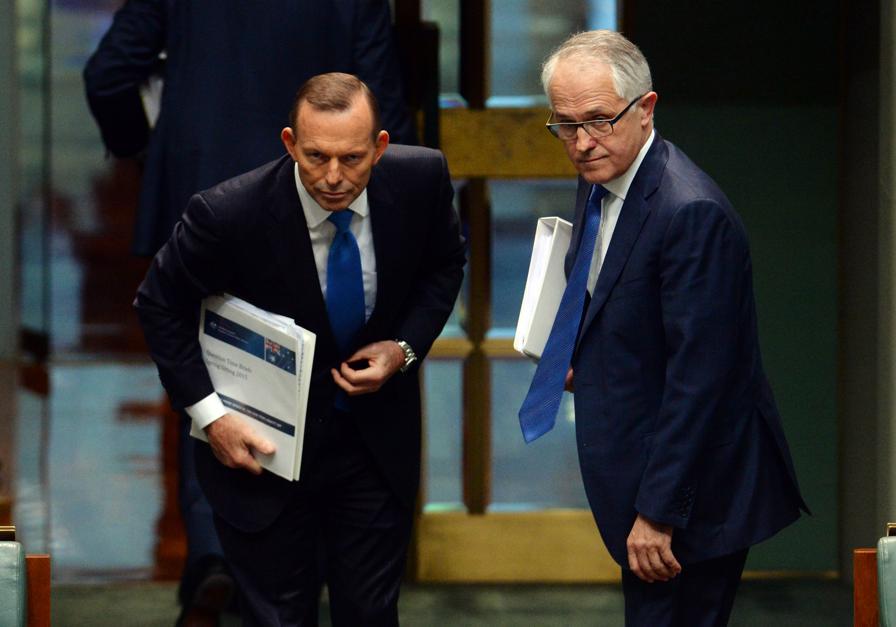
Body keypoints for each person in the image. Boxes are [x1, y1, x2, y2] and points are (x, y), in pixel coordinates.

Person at [83, 4, 416, 621]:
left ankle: (216, 553)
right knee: (325, 357)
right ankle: (322, 558)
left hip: (200, 177)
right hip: (324, 197)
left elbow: (108, 75)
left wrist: (146, 151)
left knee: (208, 367)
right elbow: (385, 101)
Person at [135, 72, 465, 626]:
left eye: (352, 159)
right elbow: (158, 304)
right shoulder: (227, 213)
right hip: (263, 452)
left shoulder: (420, 181)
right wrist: (212, 418)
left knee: (371, 614)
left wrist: (404, 348)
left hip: (373, 445)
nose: (333, 177)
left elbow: (444, 265)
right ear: (290, 144)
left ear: (380, 147)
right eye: (316, 157)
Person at [518, 30, 808, 626]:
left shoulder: (690, 213)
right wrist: (579, 351)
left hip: (692, 497)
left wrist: (657, 513)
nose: (582, 142)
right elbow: (607, 287)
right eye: (565, 125)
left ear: (646, 108)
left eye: (598, 120)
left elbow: (701, 381)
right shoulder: (602, 173)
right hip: (641, 462)